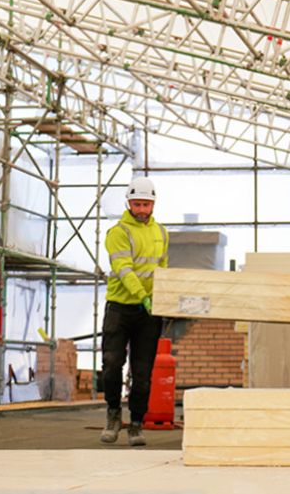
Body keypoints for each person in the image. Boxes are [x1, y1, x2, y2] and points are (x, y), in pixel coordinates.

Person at [99, 176, 168, 446]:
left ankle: (136, 424)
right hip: (120, 307)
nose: (141, 209)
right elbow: (124, 269)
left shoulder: (161, 233)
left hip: (149, 313)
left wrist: (163, 298)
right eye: (137, 204)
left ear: (153, 205)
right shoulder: (118, 233)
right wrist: (142, 296)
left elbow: (163, 270)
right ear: (128, 203)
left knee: (142, 371)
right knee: (112, 364)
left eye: (146, 204)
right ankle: (113, 414)